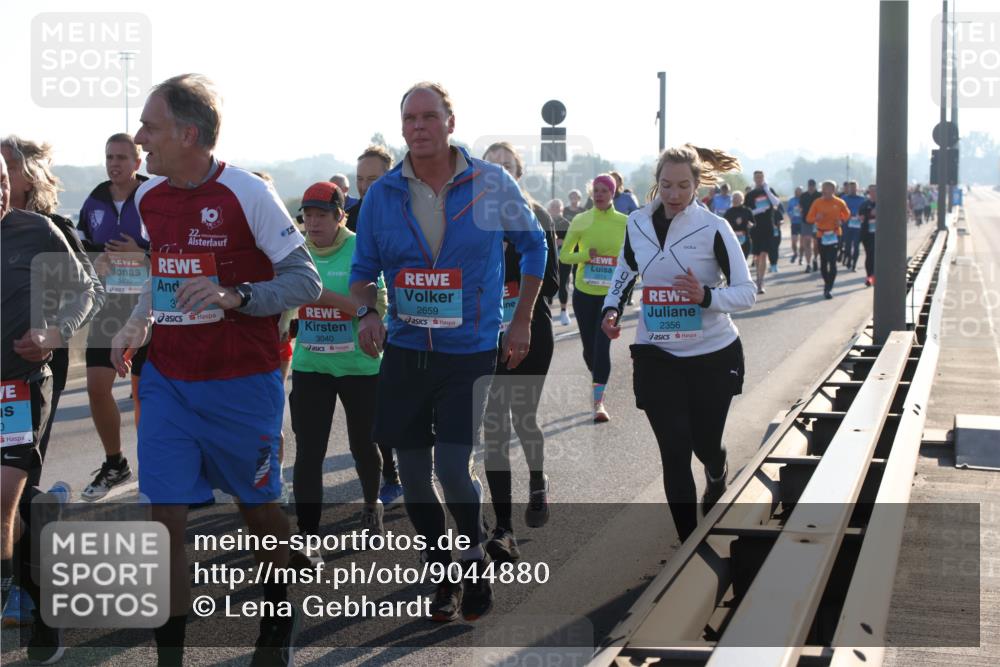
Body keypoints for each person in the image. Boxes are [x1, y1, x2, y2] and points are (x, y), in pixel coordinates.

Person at [109, 74, 322, 666]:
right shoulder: (149, 198)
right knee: (162, 520)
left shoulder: (248, 193)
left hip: (242, 384)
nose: (139, 138)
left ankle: (277, 617)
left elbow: (305, 281)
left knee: (258, 511)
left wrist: (237, 296)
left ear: (188, 133)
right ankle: (169, 658)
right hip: (169, 382)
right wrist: (137, 323)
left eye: (149, 127)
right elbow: (163, 273)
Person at [349, 82, 547, 623]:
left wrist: (522, 318)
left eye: (429, 117)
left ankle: (474, 557)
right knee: (414, 476)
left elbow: (534, 244)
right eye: (410, 118)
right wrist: (367, 313)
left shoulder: (490, 182)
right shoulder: (383, 194)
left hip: (470, 350)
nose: (418, 127)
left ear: (450, 123)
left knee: (453, 468)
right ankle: (441, 570)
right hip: (407, 349)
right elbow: (363, 271)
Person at [600, 144, 754, 542]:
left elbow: (746, 293)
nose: (673, 194)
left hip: (712, 355)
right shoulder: (637, 222)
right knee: (674, 450)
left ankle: (716, 471)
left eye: (683, 185)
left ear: (697, 185)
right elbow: (625, 269)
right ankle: (689, 544)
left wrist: (705, 296)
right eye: (666, 184)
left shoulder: (714, 228)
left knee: (706, 445)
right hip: (657, 354)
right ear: (657, 182)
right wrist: (611, 308)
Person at [1, 154, 97, 662]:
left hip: (17, 387)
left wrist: (55, 333)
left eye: (1, 181)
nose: (0, 191)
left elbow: (87, 289)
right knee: (15, 510)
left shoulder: (36, 230)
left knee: (1, 500)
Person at [290, 181, 388, 559]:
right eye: (308, 216)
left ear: (340, 217)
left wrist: (323, 296)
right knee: (308, 451)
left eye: (322, 215)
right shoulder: (297, 252)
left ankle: (372, 504)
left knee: (363, 445)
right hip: (311, 365)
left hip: (358, 366)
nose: (313, 223)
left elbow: (373, 308)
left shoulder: (360, 250)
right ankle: (307, 535)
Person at [480, 142, 560, 563]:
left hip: (531, 331)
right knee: (494, 427)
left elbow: (553, 284)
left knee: (523, 416)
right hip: (486, 336)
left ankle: (537, 480)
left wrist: (515, 295)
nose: (500, 174)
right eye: (492, 167)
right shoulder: (471, 222)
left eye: (507, 167)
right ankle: (503, 528)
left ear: (519, 173)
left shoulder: (538, 217)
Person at [76, 133, 150, 502]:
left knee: (148, 393)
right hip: (109, 305)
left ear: (138, 162)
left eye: (122, 157)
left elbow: (178, 249)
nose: (114, 164)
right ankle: (115, 463)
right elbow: (77, 251)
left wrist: (142, 254)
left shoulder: (154, 195)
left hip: (150, 306)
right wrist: (95, 263)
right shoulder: (94, 200)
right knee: (96, 386)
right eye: (109, 157)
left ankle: (158, 465)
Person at [558, 174, 628, 422]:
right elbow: (565, 256)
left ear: (613, 193)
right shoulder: (581, 220)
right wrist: (586, 255)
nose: (599, 194)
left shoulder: (625, 222)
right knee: (590, 349)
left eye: (604, 191)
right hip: (584, 293)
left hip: (611, 297)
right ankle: (597, 377)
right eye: (596, 190)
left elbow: (634, 257)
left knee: (602, 347)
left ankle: (598, 403)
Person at [806, 180, 850, 299]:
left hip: (835, 234)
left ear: (833, 190)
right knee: (824, 262)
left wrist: (841, 221)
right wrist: (816, 218)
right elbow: (809, 218)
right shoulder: (817, 202)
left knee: (832, 262)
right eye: (823, 188)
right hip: (822, 235)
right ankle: (827, 283)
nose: (824, 191)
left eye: (827, 188)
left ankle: (828, 288)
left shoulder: (839, 202)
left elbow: (847, 214)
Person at [745, 170, 781, 294]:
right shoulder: (750, 194)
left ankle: (761, 281)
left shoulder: (769, 191)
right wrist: (758, 211)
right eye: (757, 177)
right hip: (756, 228)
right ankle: (758, 277)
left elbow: (776, 203)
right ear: (754, 179)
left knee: (764, 254)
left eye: (761, 177)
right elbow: (747, 212)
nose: (759, 179)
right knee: (757, 256)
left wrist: (767, 190)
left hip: (768, 227)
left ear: (764, 178)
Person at [347, 145, 394, 235]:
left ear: (389, 178)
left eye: (372, 179)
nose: (364, 187)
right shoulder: (347, 220)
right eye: (360, 179)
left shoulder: (406, 213)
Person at [547, 198, 573, 326]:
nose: (556, 209)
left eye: (558, 207)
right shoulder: (545, 221)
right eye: (553, 207)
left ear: (562, 209)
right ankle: (548, 312)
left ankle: (563, 311)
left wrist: (562, 241)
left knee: (563, 284)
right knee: (548, 284)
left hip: (564, 258)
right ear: (549, 209)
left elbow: (572, 240)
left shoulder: (566, 223)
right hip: (549, 258)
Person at [841, 181, 866, 271]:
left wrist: (862, 216)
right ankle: (848, 259)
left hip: (858, 226)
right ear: (848, 189)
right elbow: (840, 211)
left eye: (854, 188)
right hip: (847, 225)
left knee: (856, 245)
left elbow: (865, 211)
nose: (852, 190)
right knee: (847, 246)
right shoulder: (844, 199)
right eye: (851, 188)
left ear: (857, 188)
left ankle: (854, 264)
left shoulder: (862, 199)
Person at [799, 179, 821, 272]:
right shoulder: (803, 196)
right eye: (809, 185)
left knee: (816, 244)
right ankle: (808, 264)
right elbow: (800, 208)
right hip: (806, 221)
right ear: (807, 186)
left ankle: (815, 259)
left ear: (815, 186)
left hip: (817, 222)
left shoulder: (819, 195)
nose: (811, 187)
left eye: (812, 185)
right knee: (807, 243)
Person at [723, 191, 754, 259]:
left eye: (737, 198)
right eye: (734, 198)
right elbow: (724, 225)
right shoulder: (729, 212)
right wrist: (733, 223)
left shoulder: (747, 210)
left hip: (745, 238)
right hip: (733, 238)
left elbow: (753, 223)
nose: (735, 200)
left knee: (744, 258)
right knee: (734, 258)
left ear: (742, 199)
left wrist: (751, 225)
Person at [859, 184, 877, 287]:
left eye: (875, 191)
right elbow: (861, 217)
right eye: (871, 191)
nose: (873, 193)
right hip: (867, 234)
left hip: (879, 235)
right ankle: (870, 276)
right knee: (869, 255)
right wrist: (870, 214)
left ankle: (873, 277)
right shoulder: (864, 204)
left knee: (875, 255)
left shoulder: (883, 203)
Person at [787, 186, 804, 265]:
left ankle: (801, 258)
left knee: (802, 243)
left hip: (802, 223)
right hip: (794, 223)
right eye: (797, 191)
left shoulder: (804, 199)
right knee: (794, 241)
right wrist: (791, 215)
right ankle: (795, 253)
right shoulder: (791, 200)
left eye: (799, 191)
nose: (798, 192)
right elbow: (788, 210)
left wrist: (802, 211)